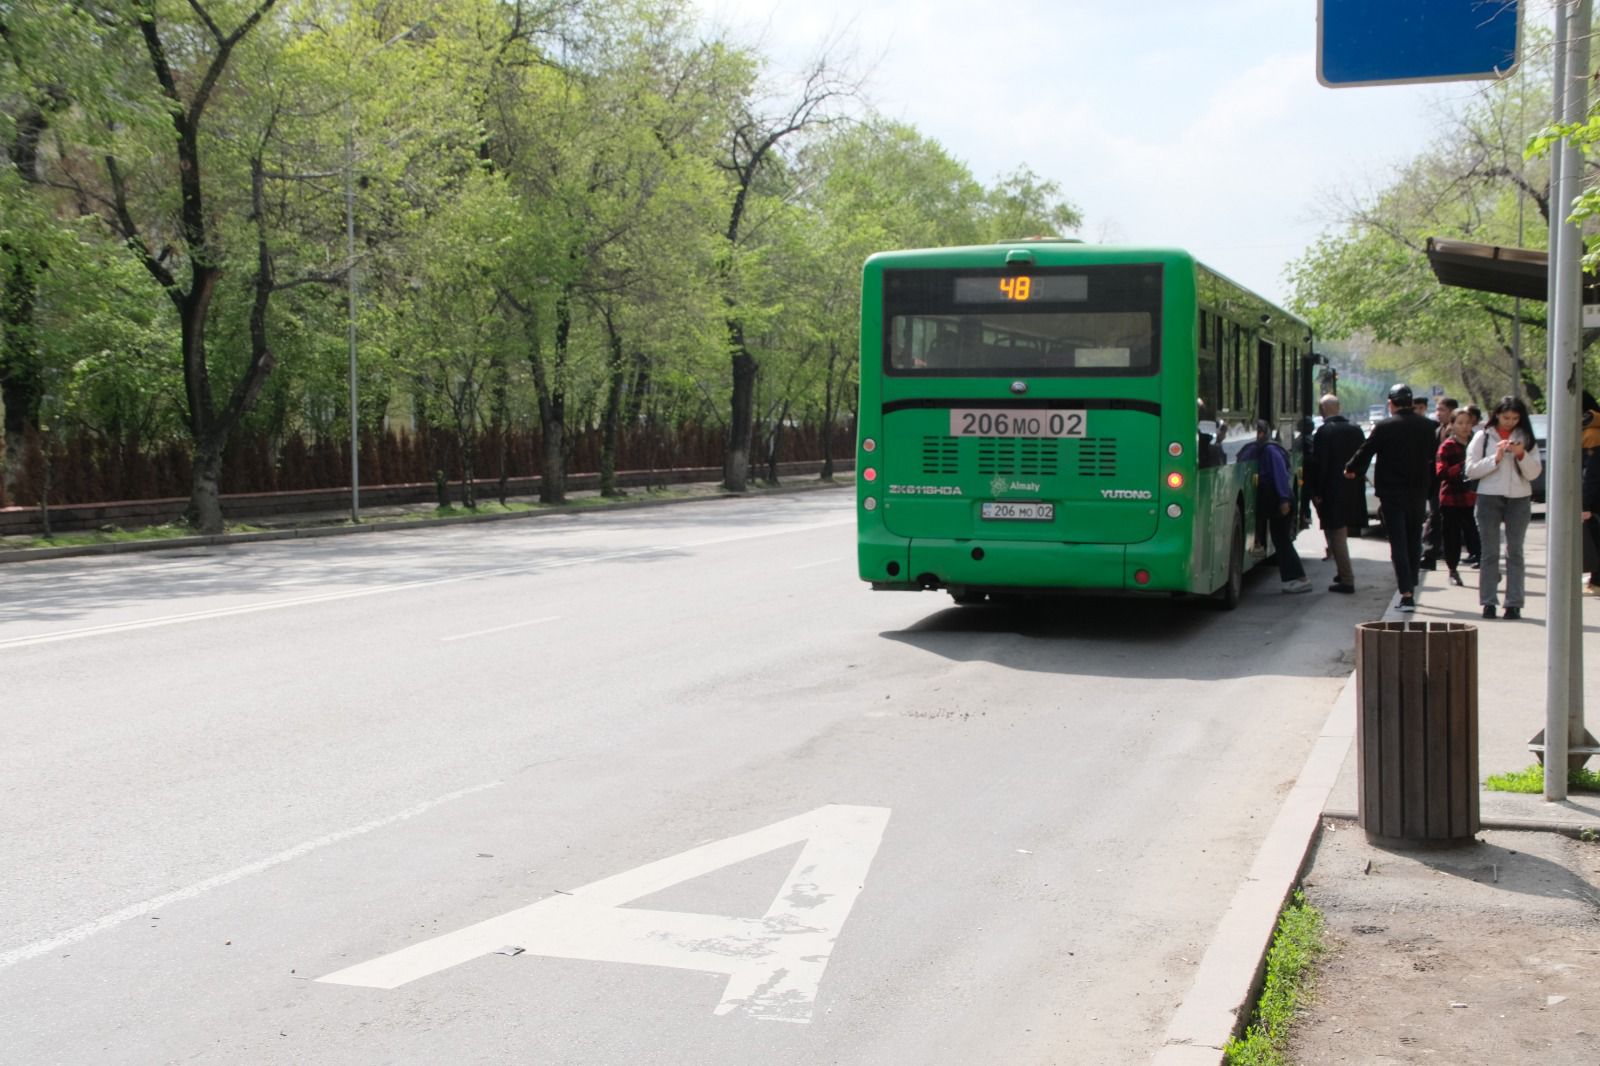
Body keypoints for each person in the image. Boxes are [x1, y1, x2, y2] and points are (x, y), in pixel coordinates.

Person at [1343, 383, 1438, 612]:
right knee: (1414, 538)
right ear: (1411, 402)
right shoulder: (1429, 426)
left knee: (1398, 541)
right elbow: (1434, 458)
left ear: (1391, 404)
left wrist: (1351, 469)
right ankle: (1412, 582)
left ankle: (1405, 593)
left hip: (1391, 493)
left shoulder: (1384, 426)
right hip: (1418, 491)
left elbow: (1366, 450)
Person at [1465, 396, 1542, 620]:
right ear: (1497, 414)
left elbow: (1534, 472)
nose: (1510, 422)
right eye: (1506, 417)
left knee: (1515, 551)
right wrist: (1495, 458)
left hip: (1519, 497)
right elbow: (1470, 469)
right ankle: (1488, 602)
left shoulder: (1525, 437)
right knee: (1490, 552)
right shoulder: (1483, 436)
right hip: (1489, 496)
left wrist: (1520, 454)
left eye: (1515, 418)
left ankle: (1514, 603)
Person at [1238, 419, 1312, 593]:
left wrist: (1284, 500)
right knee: (1280, 540)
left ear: (1262, 433)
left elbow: (1280, 476)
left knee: (1283, 541)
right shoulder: (1261, 448)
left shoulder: (1270, 451)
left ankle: (1301, 578)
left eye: (1255, 432)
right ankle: (1296, 577)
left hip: (1281, 501)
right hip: (1277, 500)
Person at [1307, 394, 1366, 593]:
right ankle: (1342, 572)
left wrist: (1317, 491)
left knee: (1337, 534)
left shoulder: (1324, 432)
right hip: (1352, 489)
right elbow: (1363, 459)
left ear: (1322, 410)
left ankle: (1347, 579)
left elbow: (1320, 465)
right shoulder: (1356, 430)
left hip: (1332, 491)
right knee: (1338, 533)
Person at [1435, 408, 1477, 588]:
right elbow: (1441, 472)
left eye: (1467, 423)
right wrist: (1462, 466)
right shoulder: (1447, 446)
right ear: (1452, 425)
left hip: (1472, 497)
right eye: (1460, 423)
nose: (1465, 427)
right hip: (1452, 498)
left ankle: (1485, 565)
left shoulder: (1476, 442)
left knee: (1475, 533)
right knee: (1452, 537)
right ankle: (1452, 569)